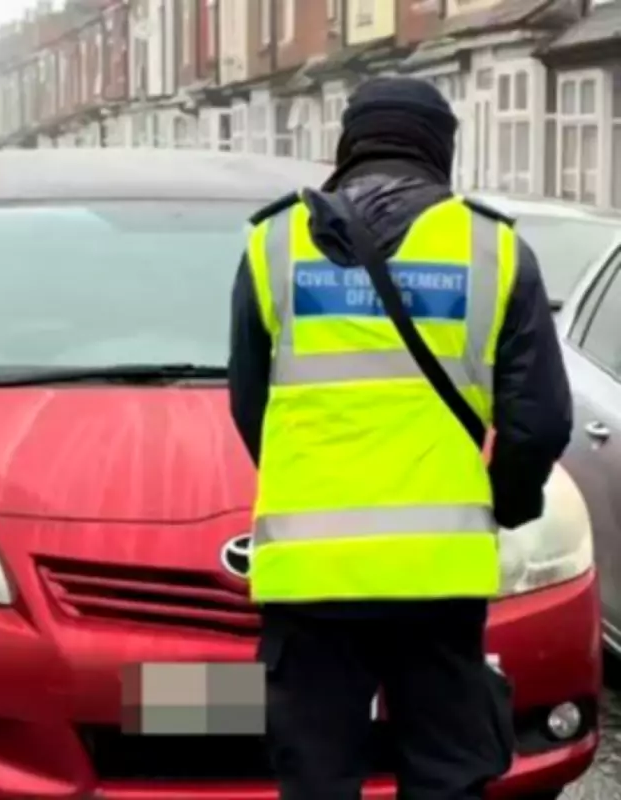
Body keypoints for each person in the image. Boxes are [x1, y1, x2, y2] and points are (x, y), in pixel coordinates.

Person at [228, 77, 572, 800]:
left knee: (317, 777)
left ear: (348, 145)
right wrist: (502, 505)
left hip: (309, 577)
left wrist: (306, 479)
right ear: (442, 148)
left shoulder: (274, 246)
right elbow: (540, 421)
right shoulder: (495, 250)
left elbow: (250, 406)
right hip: (439, 576)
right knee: (447, 772)